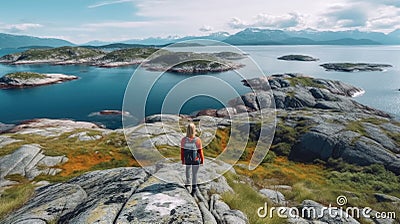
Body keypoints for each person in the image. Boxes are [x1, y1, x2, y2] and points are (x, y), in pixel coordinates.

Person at [181, 123, 204, 196]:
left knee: (187, 170)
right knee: (195, 174)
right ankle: (194, 189)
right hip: (196, 160)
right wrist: (202, 160)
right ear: (194, 130)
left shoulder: (184, 140)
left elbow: (182, 151)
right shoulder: (197, 140)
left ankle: (188, 184)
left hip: (187, 159)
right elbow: (200, 151)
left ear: (187, 130)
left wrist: (183, 160)